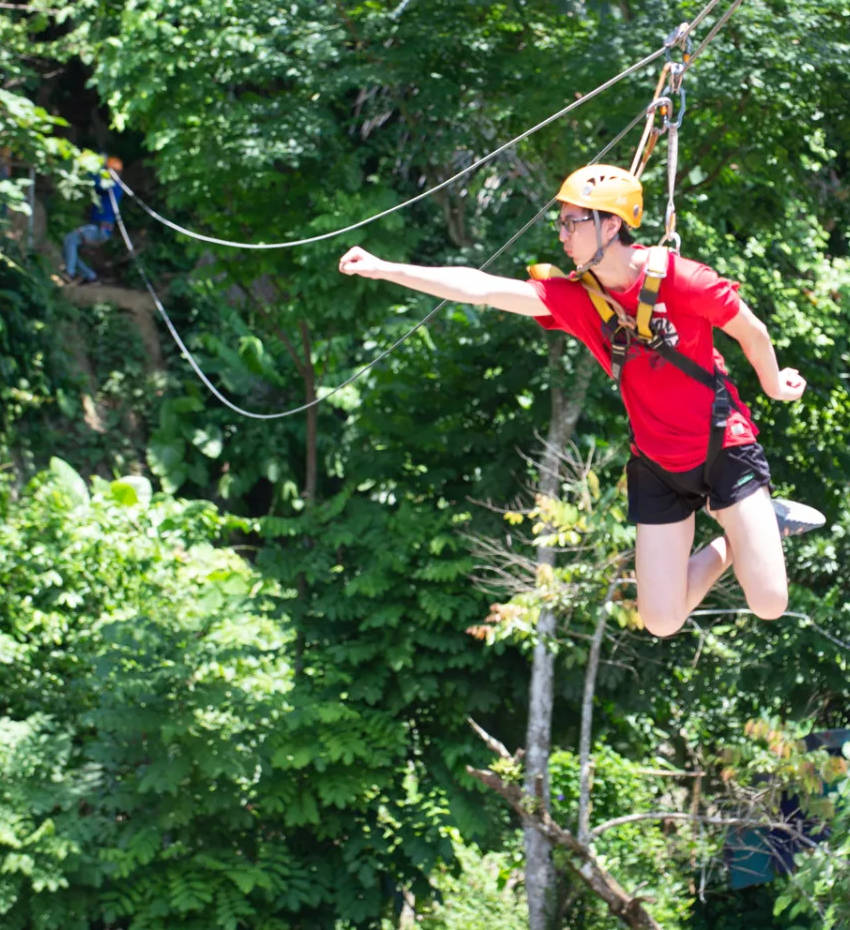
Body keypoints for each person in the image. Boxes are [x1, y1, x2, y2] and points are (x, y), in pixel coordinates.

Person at [337, 163, 824, 638]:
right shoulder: (576, 299)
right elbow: (481, 289)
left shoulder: (684, 279)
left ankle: (761, 518)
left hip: (723, 446)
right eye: (561, 224)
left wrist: (773, 383)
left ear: (610, 224)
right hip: (658, 463)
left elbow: (751, 330)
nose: (562, 236)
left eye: (572, 222)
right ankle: (734, 541)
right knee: (661, 620)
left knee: (769, 603)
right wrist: (385, 269)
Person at [63, 157, 123, 284]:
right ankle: (90, 276)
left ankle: (70, 273)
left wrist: (93, 168)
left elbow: (94, 183)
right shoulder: (115, 187)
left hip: (100, 228)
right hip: (102, 229)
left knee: (70, 240)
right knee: (70, 245)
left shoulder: (111, 185)